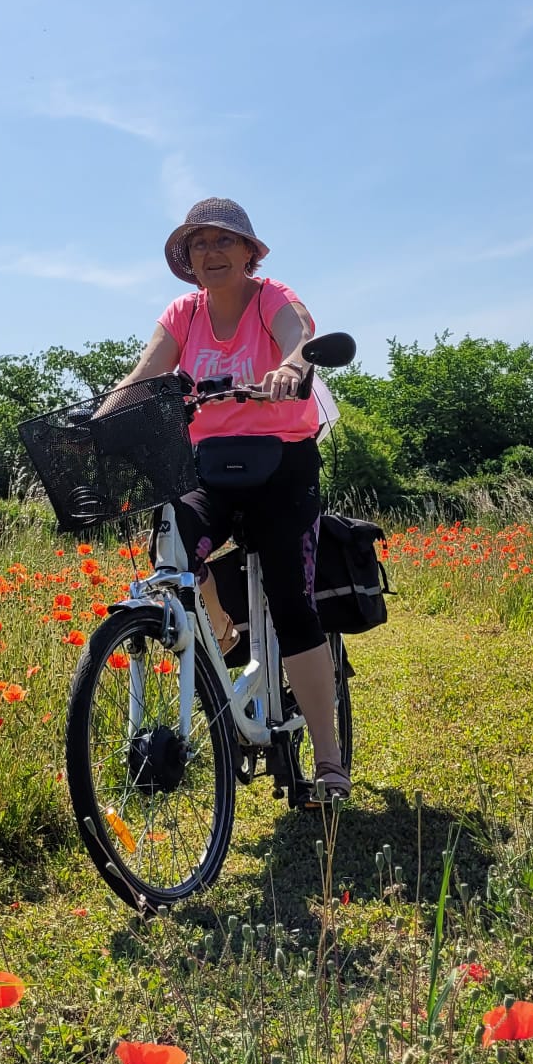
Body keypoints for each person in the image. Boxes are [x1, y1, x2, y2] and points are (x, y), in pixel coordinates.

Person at [100, 197, 348, 801]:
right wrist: (100, 420)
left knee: (293, 602)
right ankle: (226, 634)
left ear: (247, 253)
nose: (209, 254)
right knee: (173, 551)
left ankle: (330, 762)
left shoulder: (272, 300)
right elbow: (144, 374)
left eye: (221, 243)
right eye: (198, 245)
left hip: (282, 466)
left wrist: (293, 367)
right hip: (210, 469)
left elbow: (298, 337)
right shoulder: (183, 314)